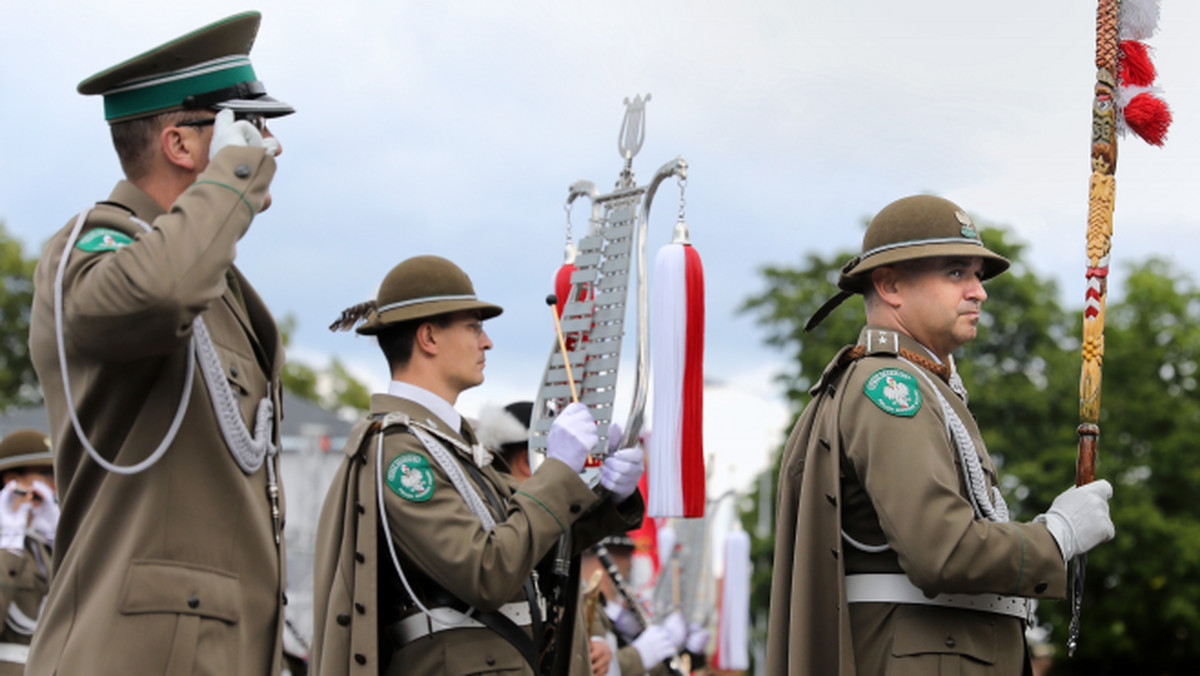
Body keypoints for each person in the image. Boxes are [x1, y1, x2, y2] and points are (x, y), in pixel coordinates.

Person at [25, 12, 293, 675]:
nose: (268, 148)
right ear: (180, 145)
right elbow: (158, 295)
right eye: (248, 128)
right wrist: (233, 176)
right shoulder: (94, 246)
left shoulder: (216, 282)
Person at [765, 195, 1116, 676]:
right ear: (889, 284)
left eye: (976, 275)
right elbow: (942, 550)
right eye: (956, 273)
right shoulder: (891, 387)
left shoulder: (924, 383)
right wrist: (1055, 537)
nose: (979, 291)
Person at [311, 255, 646, 676]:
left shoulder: (451, 444)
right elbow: (487, 572)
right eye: (473, 327)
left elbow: (535, 546)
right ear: (429, 337)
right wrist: (558, 469)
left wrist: (609, 494)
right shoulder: (401, 453)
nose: (486, 342)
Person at [0, 430, 58, 674]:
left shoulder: (41, 542)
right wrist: (9, 544)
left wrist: (60, 540)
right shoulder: (8, 544)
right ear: (12, 481)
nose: (55, 484)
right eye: (46, 474)